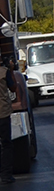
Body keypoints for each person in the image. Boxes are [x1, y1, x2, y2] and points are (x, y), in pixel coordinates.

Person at [0, 56, 15, 184]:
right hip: (2, 112)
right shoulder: (4, 72)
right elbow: (13, 88)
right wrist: (11, 70)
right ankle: (5, 175)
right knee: (6, 144)